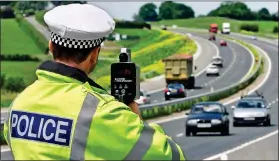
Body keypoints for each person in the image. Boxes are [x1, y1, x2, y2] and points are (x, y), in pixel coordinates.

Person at [4, 3, 186, 160]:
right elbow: (171, 156)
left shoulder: (19, 104)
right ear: (94, 54)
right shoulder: (102, 113)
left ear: (51, 46)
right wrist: (135, 121)